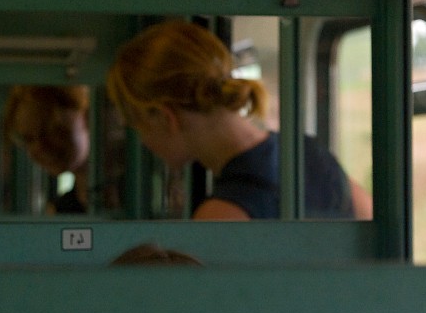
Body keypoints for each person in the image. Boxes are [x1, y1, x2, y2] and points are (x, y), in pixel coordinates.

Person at [106, 19, 373, 220]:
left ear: (167, 119)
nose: (143, 142)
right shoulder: (309, 152)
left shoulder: (221, 215)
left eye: (137, 125)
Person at [4, 85, 91, 214]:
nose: (39, 148)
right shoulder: (64, 209)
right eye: (28, 139)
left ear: (86, 117)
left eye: (50, 132)